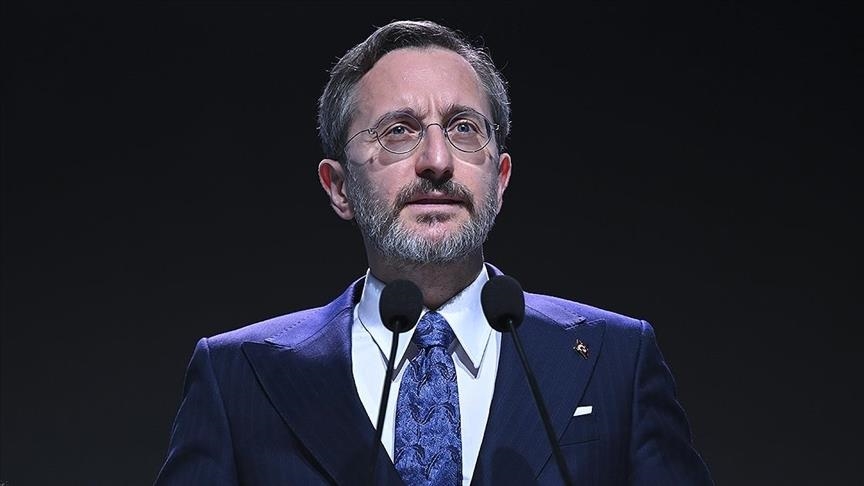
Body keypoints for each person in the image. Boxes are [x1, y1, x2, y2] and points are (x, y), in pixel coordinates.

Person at [154, 19, 714, 486]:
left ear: (501, 178)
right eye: (398, 132)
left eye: (464, 128)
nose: (437, 161)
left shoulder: (617, 360)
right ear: (339, 187)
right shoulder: (238, 375)